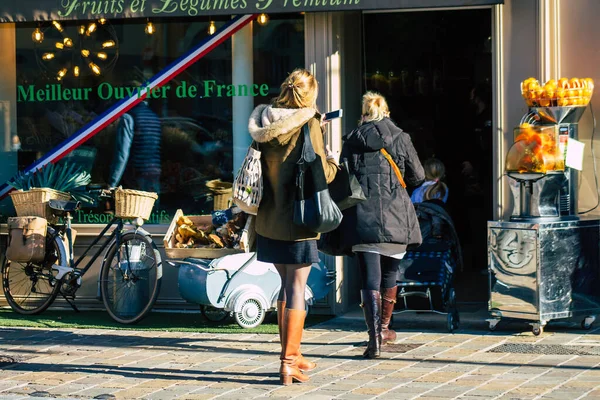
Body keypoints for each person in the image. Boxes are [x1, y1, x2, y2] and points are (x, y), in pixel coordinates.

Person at [248, 68, 338, 385]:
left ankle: (292, 355)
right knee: (297, 288)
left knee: (286, 287)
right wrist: (332, 156)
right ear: (309, 96)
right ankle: (288, 362)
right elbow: (322, 174)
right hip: (299, 220)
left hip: (269, 219)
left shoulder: (265, 125)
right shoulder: (309, 123)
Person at [340, 91, 425, 359]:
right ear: (386, 112)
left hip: (362, 216)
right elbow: (418, 176)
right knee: (390, 274)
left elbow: (343, 178)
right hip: (396, 216)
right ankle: (385, 328)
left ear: (363, 114)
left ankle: (374, 339)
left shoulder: (352, 140)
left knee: (370, 278)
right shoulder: (401, 137)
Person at [108, 82, 161, 194]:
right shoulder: (154, 117)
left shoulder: (128, 117)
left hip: (136, 175)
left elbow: (122, 153)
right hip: (154, 172)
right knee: (153, 208)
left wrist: (112, 183)